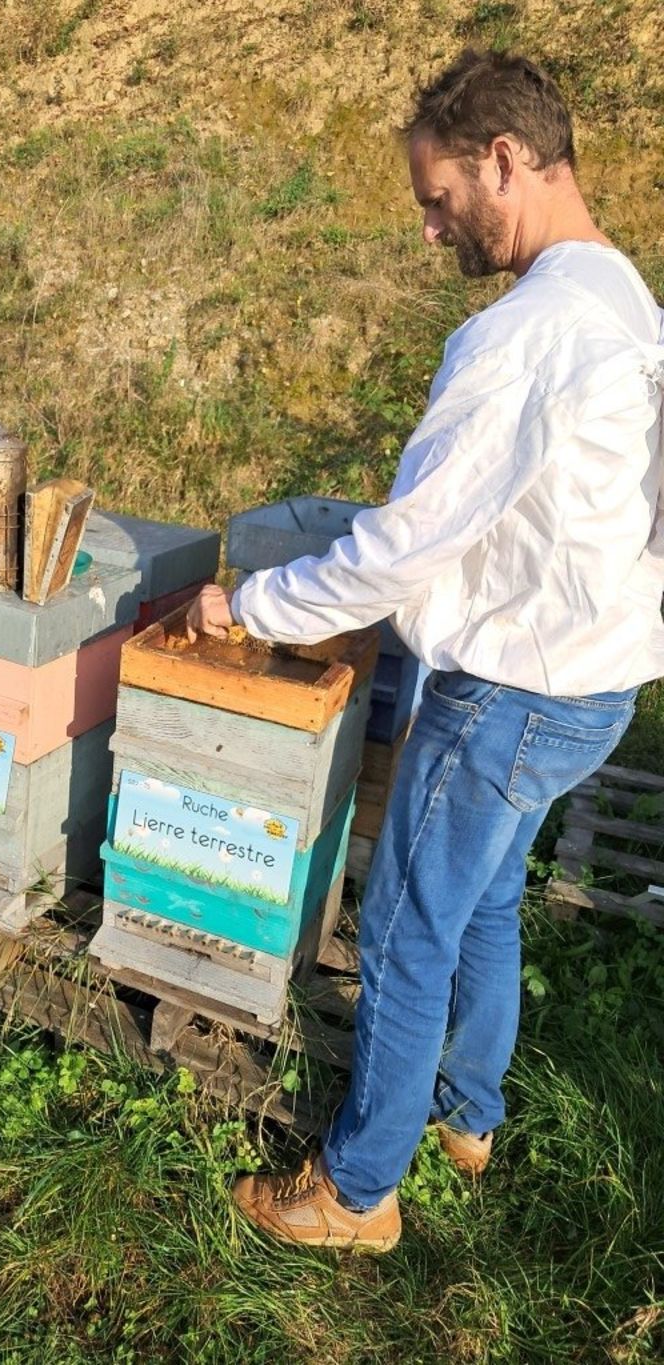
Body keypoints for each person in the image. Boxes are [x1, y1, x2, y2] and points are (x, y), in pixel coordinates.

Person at [186, 48, 664, 1253]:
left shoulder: (524, 335)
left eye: (437, 198)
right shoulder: (626, 303)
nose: (429, 229)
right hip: (592, 685)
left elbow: (399, 548)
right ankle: (469, 1114)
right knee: (487, 898)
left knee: (401, 925)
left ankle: (354, 1192)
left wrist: (254, 608)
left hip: (508, 688)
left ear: (504, 160)